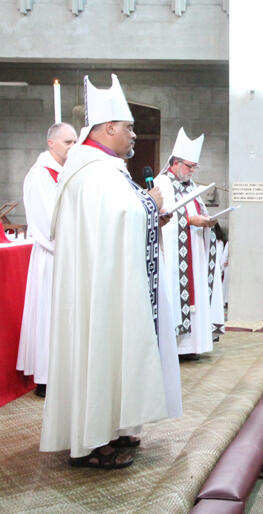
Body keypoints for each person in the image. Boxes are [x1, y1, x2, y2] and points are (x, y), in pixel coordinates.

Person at [40, 74, 168, 468]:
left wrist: (146, 210)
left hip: (108, 281)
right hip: (96, 288)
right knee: (98, 348)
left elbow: (119, 217)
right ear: (109, 127)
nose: (134, 135)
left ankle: (112, 426)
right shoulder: (92, 171)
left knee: (113, 350)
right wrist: (149, 203)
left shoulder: (104, 168)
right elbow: (120, 213)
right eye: (129, 128)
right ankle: (90, 442)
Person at [16, 122, 77, 398]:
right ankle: (47, 377)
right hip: (52, 258)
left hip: (70, 255)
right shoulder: (40, 175)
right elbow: (46, 224)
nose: (73, 147)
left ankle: (66, 373)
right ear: (51, 143)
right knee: (50, 316)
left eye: (75, 142)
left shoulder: (65, 173)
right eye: (68, 142)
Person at [156, 127, 217, 361]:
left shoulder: (190, 186)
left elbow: (197, 210)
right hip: (174, 254)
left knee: (196, 294)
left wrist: (207, 221)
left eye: (194, 167)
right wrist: (191, 221)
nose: (192, 171)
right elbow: (164, 217)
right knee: (176, 294)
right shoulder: (162, 183)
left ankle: (193, 346)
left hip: (195, 249)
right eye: (189, 166)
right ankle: (177, 347)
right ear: (175, 163)